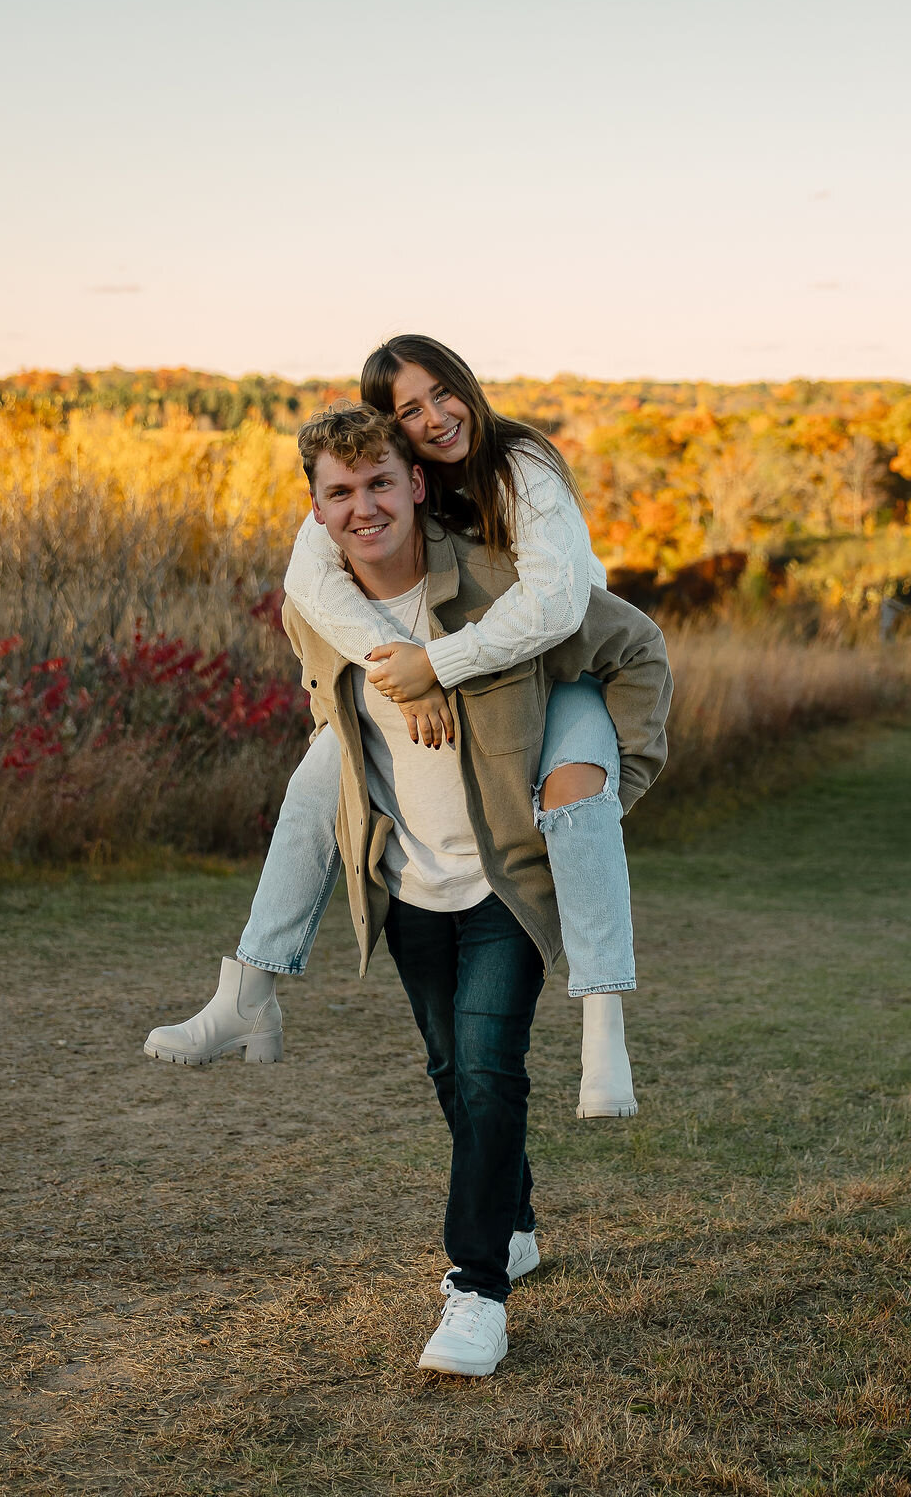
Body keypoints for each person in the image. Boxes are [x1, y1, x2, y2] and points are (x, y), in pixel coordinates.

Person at [145, 336, 653, 1118]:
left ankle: (603, 1027)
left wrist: (435, 666)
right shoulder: (375, 484)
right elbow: (307, 579)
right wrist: (398, 667)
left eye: (442, 392)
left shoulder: (521, 466)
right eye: (409, 409)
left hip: (569, 669)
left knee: (575, 797)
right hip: (463, 665)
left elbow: (555, 609)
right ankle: (250, 987)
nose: (436, 416)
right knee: (322, 774)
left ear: (467, 385)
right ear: (388, 427)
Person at [273, 405, 670, 1373]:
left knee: (490, 1071)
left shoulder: (499, 583)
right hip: (407, 881)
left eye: (379, 482)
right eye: (339, 491)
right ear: (318, 511)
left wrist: (613, 772)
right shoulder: (320, 607)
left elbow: (624, 642)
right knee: (453, 1075)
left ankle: (477, 1287)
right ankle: (515, 1219)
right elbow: (329, 718)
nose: (363, 505)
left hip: (501, 878)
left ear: (416, 483)